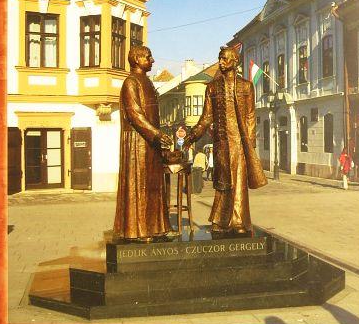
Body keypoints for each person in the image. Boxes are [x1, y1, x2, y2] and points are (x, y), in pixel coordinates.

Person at [183, 46, 267, 235]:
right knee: (223, 183)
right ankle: (221, 220)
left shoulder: (246, 86)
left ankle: (239, 222)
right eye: (220, 58)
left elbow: (250, 116)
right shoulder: (212, 87)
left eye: (225, 59)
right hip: (221, 143)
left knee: (239, 183)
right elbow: (206, 118)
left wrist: (250, 145)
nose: (221, 62)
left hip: (239, 143)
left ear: (235, 61)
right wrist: (192, 135)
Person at [113, 46, 173, 242]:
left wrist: (157, 137)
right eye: (148, 57)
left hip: (151, 143)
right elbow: (135, 114)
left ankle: (156, 228)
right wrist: (157, 134)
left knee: (154, 187)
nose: (152, 60)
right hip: (137, 143)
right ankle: (138, 230)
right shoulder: (131, 82)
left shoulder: (147, 81)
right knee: (139, 186)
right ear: (137, 59)